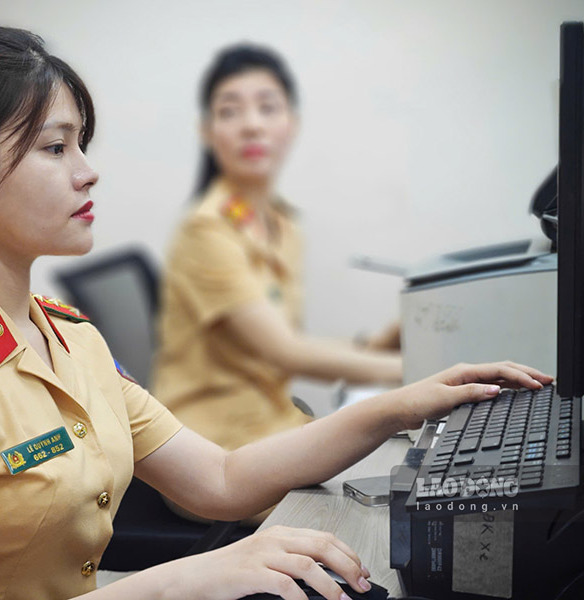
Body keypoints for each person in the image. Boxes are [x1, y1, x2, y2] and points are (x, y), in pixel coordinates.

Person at [0, 25, 551, 600]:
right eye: (53, 147)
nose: (87, 169)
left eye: (82, 144)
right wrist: (181, 580)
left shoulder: (63, 339)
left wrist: (406, 406)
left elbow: (222, 479)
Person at [152, 44, 405, 453]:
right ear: (207, 131)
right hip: (213, 446)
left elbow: (285, 339)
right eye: (230, 111)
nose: (252, 125)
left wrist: (386, 339)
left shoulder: (279, 222)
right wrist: (424, 371)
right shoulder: (206, 231)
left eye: (268, 108)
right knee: (376, 498)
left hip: (272, 423)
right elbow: (288, 353)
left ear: (293, 122)